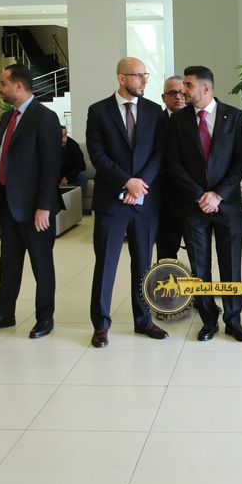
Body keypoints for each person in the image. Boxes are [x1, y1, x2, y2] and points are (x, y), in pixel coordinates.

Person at [86, 57, 169, 348]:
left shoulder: (155, 111)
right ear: (121, 78)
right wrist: (125, 181)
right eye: (138, 75)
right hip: (111, 201)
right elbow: (97, 154)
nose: (144, 80)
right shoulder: (98, 111)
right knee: (106, 263)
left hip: (145, 202)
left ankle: (143, 320)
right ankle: (101, 325)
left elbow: (160, 153)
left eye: (146, 75)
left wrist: (139, 183)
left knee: (143, 263)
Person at [166, 65, 242, 342]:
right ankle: (208, 320)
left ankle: (233, 320)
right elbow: (173, 162)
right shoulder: (178, 120)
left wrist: (218, 194)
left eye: (188, 85)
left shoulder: (233, 117)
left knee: (231, 265)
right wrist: (200, 195)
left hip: (227, 205)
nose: (183, 91)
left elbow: (241, 160)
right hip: (193, 206)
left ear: (206, 88)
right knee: (199, 267)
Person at [0, 64, 61, 339]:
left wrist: (44, 206)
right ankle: (4, 314)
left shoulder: (44, 117)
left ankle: (44, 318)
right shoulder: (6, 118)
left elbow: (51, 166)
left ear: (19, 86)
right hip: (8, 207)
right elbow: (3, 160)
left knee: (41, 267)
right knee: (8, 265)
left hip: (36, 209)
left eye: (3, 83)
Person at [156, 75, 188, 261]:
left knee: (199, 255)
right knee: (166, 254)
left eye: (182, 92)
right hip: (165, 198)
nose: (178, 97)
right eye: (172, 93)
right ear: (163, 97)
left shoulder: (197, 120)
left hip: (193, 199)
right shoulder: (154, 122)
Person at [59, 127, 88, 194]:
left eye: (65, 135)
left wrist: (67, 177)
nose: (63, 139)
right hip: (57, 175)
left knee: (83, 176)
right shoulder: (50, 145)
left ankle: (78, 199)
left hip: (72, 175)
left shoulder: (73, 145)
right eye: (60, 136)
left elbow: (82, 165)